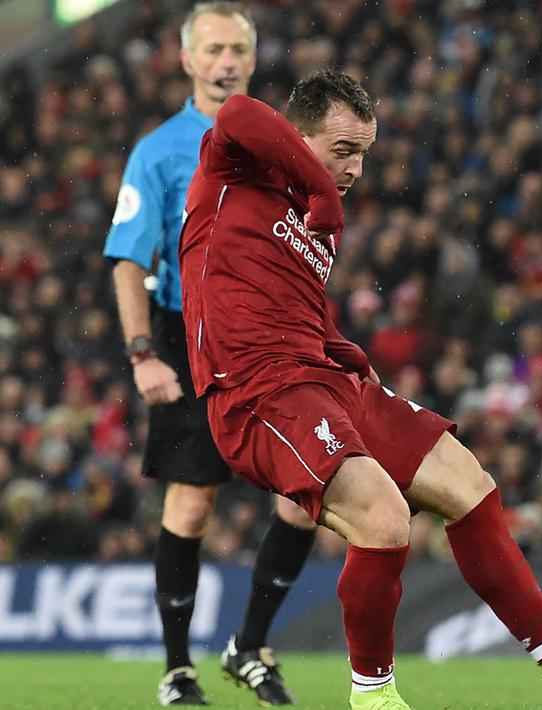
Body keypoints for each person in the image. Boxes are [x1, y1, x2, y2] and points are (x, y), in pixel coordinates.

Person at [178, 70, 542, 710]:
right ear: (297, 135)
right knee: (383, 518)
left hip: (325, 379)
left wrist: (349, 353)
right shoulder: (234, 168)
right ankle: (373, 697)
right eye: (341, 150)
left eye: (363, 155)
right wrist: (321, 187)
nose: (351, 169)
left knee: (468, 484)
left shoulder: (321, 219)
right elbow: (238, 109)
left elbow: (299, 308)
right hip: (256, 391)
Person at [102, 3, 314, 705]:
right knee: (192, 506)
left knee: (306, 494)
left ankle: (249, 646)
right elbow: (128, 263)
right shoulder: (158, 151)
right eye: (214, 49)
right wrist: (142, 356)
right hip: (186, 338)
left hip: (270, 335)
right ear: (188, 60)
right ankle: (176, 667)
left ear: (253, 60)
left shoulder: (283, 143)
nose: (227, 61)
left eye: (238, 49)